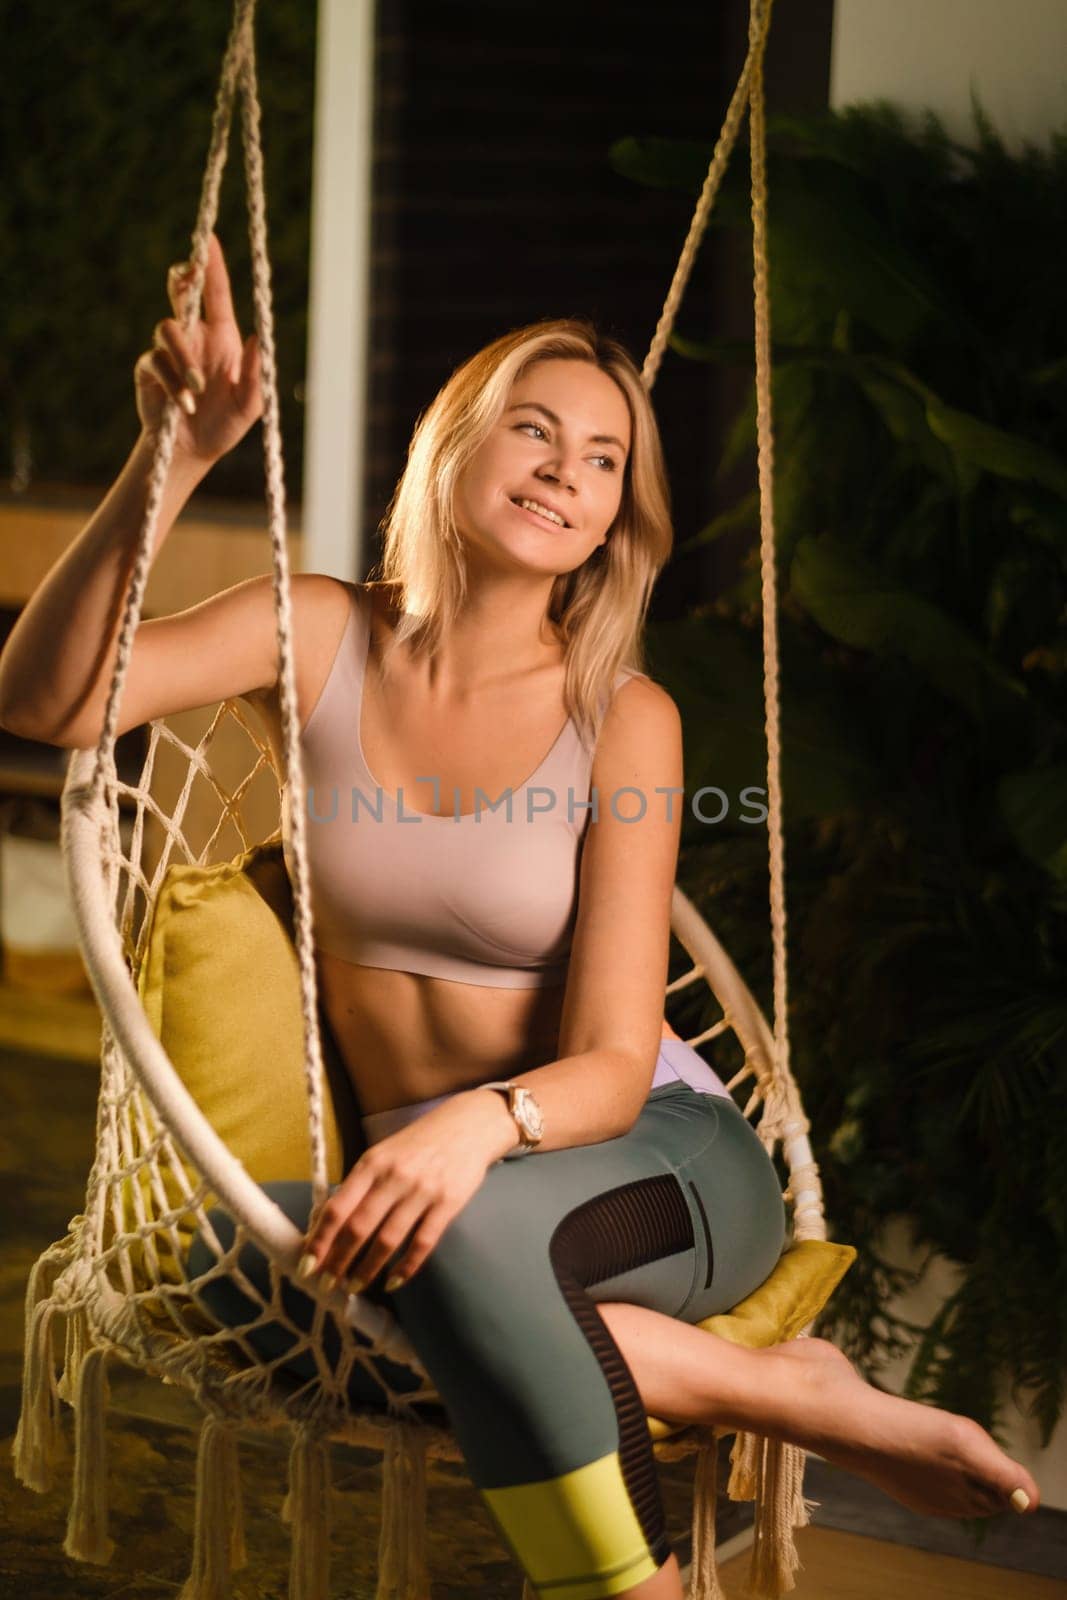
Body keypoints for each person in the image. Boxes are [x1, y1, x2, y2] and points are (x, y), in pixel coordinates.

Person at [0, 233, 1039, 1600]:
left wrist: (476, 1129)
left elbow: (616, 1060)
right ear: (456, 448)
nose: (565, 469)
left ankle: (628, 1587)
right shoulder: (319, 636)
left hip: (643, 1158)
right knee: (215, 1259)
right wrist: (176, 454)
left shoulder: (627, 720)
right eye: (535, 431)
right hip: (422, 1198)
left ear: (619, 516)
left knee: (461, 1237)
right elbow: (48, 701)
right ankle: (788, 1389)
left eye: (605, 459)